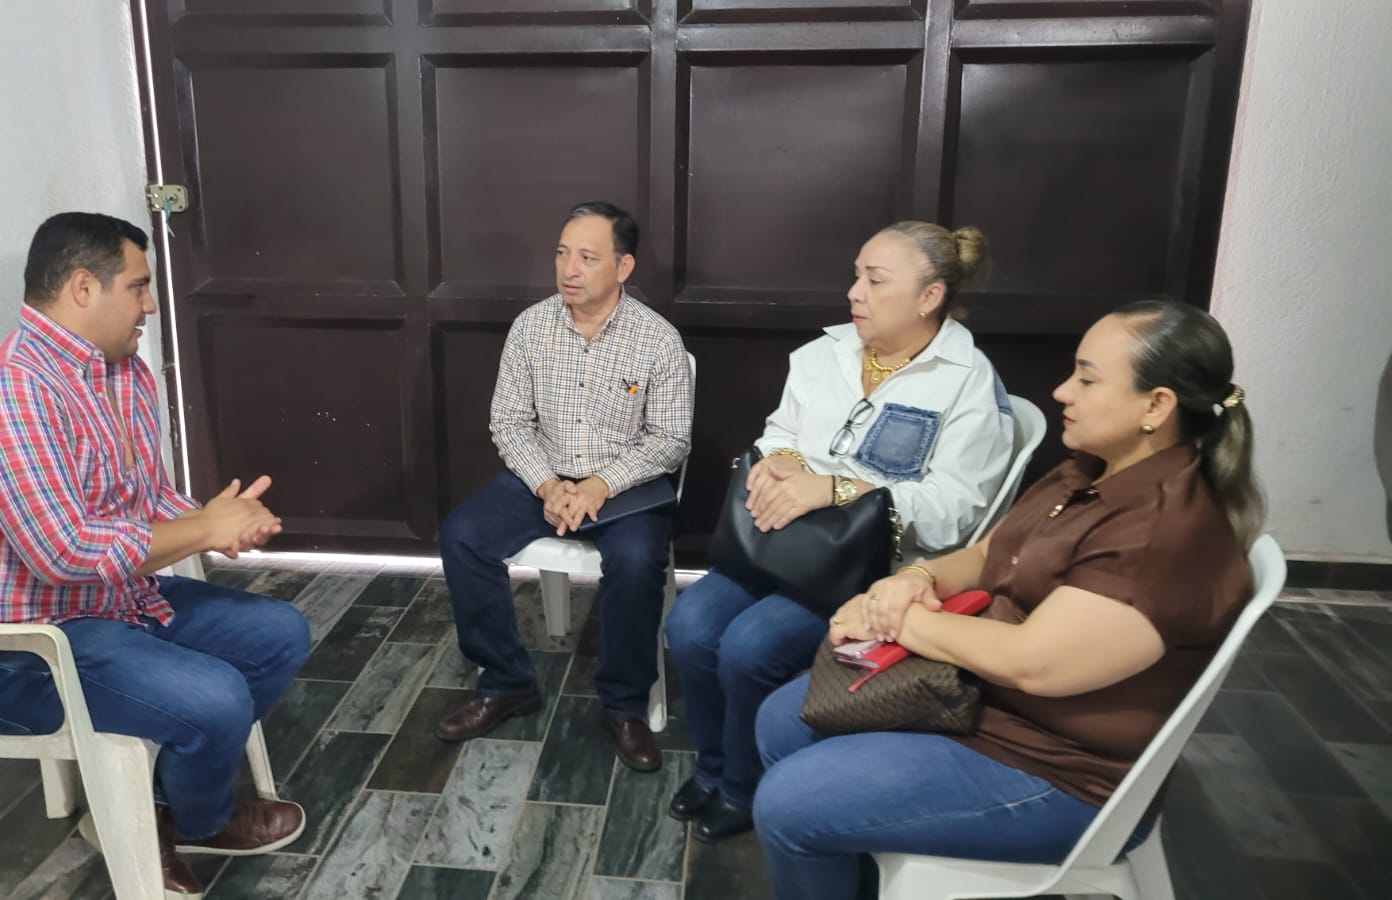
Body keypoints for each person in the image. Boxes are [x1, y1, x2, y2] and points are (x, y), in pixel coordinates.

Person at [751, 300, 1261, 899]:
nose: (1062, 390)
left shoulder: (1162, 533)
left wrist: (897, 621)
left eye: (1088, 379)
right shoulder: (1090, 471)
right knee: (782, 720)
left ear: (1156, 406)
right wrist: (915, 579)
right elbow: (987, 553)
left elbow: (1032, 662)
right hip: (984, 702)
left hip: (1056, 771)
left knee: (788, 803)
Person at [0, 213, 313, 900]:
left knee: (280, 634)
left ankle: (163, 810)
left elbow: (145, 498)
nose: (150, 305)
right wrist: (202, 530)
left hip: (109, 601)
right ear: (82, 288)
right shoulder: (3, 392)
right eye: (139, 286)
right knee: (215, 698)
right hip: (11, 649)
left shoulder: (120, 373)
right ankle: (199, 816)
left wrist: (216, 522)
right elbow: (62, 553)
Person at [663, 221, 1014, 840]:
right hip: (785, 542)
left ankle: (744, 786)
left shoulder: (966, 381)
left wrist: (838, 489)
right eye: (856, 276)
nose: (854, 292)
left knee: (748, 647)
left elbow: (955, 510)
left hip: (874, 567)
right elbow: (780, 432)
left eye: (875, 281)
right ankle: (713, 766)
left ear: (929, 296)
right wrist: (781, 465)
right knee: (689, 626)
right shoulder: (823, 354)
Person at [435, 201, 694, 772]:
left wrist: (602, 483)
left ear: (623, 267)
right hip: (544, 476)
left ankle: (625, 705)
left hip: (625, 484)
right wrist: (547, 485)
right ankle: (506, 682)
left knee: (636, 561)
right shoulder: (531, 327)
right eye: (562, 253)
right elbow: (509, 422)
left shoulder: (657, 340)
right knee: (462, 536)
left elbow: (671, 439)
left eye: (587, 257)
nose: (569, 269)